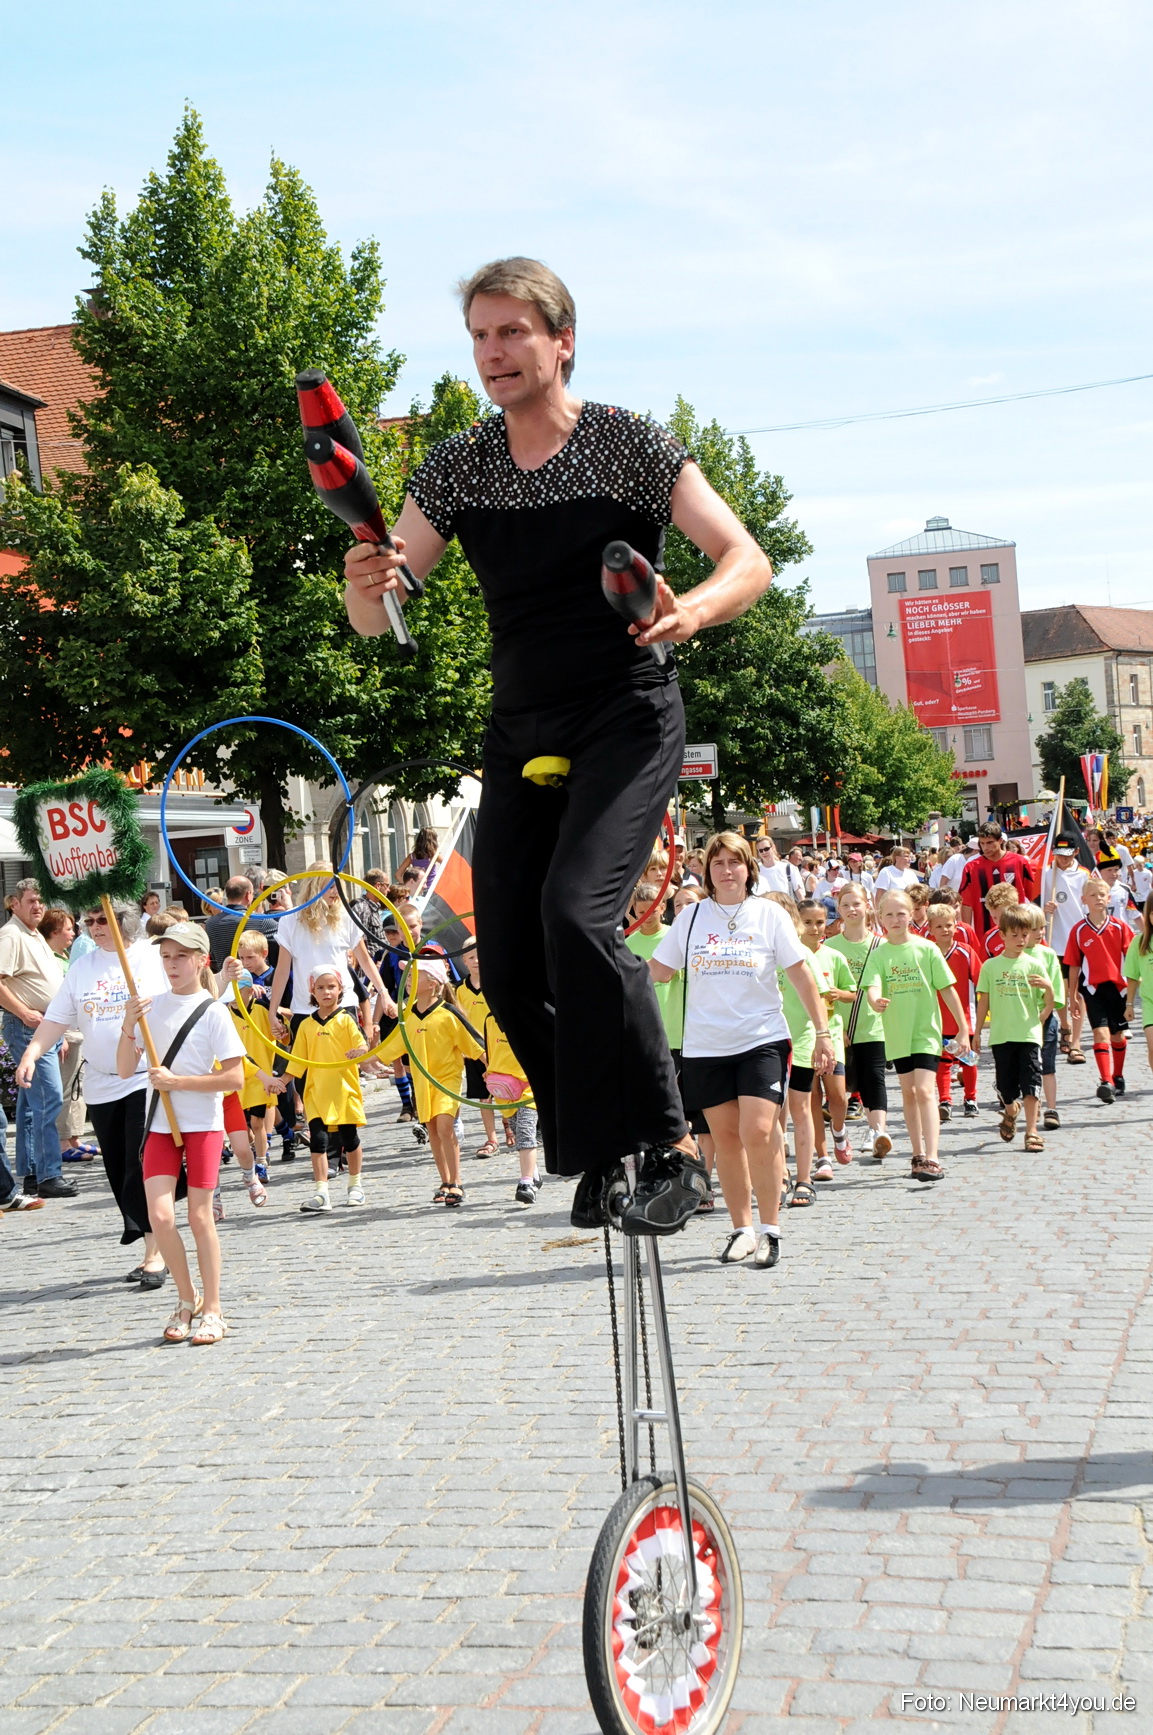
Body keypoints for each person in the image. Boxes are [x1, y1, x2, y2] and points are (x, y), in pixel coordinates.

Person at [343, 256, 773, 1235]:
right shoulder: (459, 465)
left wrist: (692, 612)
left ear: (559, 341)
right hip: (522, 722)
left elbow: (745, 558)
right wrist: (363, 576)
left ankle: (668, 1148)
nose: (492, 353)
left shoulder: (622, 443)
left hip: (625, 710)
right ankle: (595, 1145)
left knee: (576, 919)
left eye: (511, 333)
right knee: (509, 964)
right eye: (479, 337)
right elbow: (380, 616)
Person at [649, 833, 834, 1267]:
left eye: (736, 862)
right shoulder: (691, 918)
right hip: (705, 1046)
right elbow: (656, 971)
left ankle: (771, 1229)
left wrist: (823, 1032)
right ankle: (742, 1229)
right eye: (718, 863)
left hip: (761, 1039)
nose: (727, 870)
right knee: (727, 1140)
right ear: (707, 870)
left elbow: (802, 976)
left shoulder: (769, 914)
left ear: (749, 868)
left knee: (759, 1130)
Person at [16, 902, 170, 1275]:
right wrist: (32, 1053)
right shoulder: (83, 966)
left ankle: (156, 1251)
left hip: (143, 1078)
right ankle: (149, 1232)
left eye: (104, 920)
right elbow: (57, 1017)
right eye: (90, 921)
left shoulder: (150, 959)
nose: (95, 926)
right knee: (117, 1166)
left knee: (139, 1161)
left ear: (126, 924)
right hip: (102, 1082)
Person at [117, 923, 246, 1344]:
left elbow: (235, 1079)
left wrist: (179, 1082)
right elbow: (123, 1069)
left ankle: (214, 1308)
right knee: (159, 1215)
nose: (172, 964)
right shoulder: (150, 1007)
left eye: (181, 957)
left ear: (201, 961)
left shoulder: (214, 1012)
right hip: (159, 1123)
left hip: (202, 1125)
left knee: (199, 1214)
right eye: (166, 956)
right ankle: (186, 1299)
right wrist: (126, 1025)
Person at [863, 891, 970, 1183]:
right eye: (889, 915)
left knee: (924, 1091)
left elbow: (948, 989)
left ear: (912, 915)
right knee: (908, 1093)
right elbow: (871, 986)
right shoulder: (879, 954)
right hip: (897, 1033)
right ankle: (917, 1153)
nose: (895, 920)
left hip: (926, 1030)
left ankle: (934, 1156)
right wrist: (875, 1001)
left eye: (901, 913)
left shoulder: (927, 949)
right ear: (879, 918)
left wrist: (962, 1028)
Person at [377, 955, 485, 1208]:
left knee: (446, 1127)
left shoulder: (449, 1013)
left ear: (433, 982)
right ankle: (445, 1181)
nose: (409, 979)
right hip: (423, 1084)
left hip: (448, 1080)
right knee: (434, 1131)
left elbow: (477, 1046)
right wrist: (365, 1056)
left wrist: (494, 1071)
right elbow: (391, 1046)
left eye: (415, 975)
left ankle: (457, 1181)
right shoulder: (408, 1016)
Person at [0, 880, 71, 1199]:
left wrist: (58, 1031)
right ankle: (48, 1175)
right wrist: (25, 1013)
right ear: (14, 903)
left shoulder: (33, 934)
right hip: (27, 1026)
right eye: (31, 901)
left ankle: (31, 1171)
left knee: (32, 1104)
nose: (37, 906)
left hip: (45, 1027)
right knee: (49, 1099)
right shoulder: (11, 935)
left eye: (41, 901)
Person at [285, 968, 370, 1211]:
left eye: (331, 987)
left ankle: (355, 1186)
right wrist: (282, 1080)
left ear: (340, 989)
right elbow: (297, 1059)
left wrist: (360, 1052)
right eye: (320, 987)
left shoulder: (346, 1019)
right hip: (316, 1092)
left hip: (344, 1089)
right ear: (311, 990)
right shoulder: (306, 1025)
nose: (326, 992)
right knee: (318, 1140)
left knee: (349, 1138)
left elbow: (362, 1045)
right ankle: (321, 1192)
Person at [974, 906, 1055, 1151]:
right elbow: (984, 1001)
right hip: (1001, 1035)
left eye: (1024, 935)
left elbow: (1049, 1001)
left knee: (1031, 1083)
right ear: (1002, 936)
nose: (1020, 940)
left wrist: (1046, 995)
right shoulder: (990, 966)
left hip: (1028, 1034)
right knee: (1005, 1087)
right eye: (1014, 935)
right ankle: (1010, 1109)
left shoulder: (1034, 965)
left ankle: (1032, 1131)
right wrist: (976, 1032)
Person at [788, 898, 857, 1183]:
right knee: (812, 1097)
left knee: (838, 1095)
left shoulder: (834, 957)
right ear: (796, 923)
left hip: (831, 1031)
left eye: (820, 922)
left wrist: (837, 994)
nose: (815, 929)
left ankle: (839, 1132)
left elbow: (853, 992)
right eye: (808, 922)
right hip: (802, 1036)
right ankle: (823, 1156)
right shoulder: (790, 955)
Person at [828, 885, 891, 1161]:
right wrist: (835, 1026)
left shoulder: (882, 945)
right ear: (839, 910)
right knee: (839, 1091)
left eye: (857, 903)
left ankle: (877, 1132)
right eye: (846, 905)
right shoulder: (829, 946)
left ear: (868, 906)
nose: (852, 909)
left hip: (874, 1025)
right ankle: (838, 1133)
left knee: (874, 1081)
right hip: (838, 1028)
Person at [1063, 876, 1131, 1104]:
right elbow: (1073, 964)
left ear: (1109, 897)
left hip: (1119, 990)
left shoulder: (1120, 928)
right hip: (1093, 990)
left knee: (1117, 1036)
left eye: (1102, 894)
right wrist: (1073, 995)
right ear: (1084, 900)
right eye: (1093, 895)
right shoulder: (1079, 930)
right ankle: (1106, 1081)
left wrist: (1132, 991)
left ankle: (1118, 1075)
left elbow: (1131, 960)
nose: (1098, 898)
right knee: (1100, 1033)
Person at [39, 908, 94, 1164]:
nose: (73, 932)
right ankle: (62, 1142)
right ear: (53, 932)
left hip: (74, 1028)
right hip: (63, 1030)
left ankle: (73, 1137)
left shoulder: (63, 956)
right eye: (68, 928)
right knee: (64, 1086)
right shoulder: (48, 958)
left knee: (76, 1086)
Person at [481, 1003, 543, 1205]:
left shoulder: (525, 1014)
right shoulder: (490, 1020)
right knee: (517, 1133)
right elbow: (492, 1052)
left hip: (527, 1088)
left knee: (526, 1133)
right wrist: (489, 1072)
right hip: (504, 1089)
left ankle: (526, 1183)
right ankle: (533, 1172)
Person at [926, 900, 979, 1121]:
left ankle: (970, 1098)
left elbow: (980, 979)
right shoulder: (926, 953)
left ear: (956, 925)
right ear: (930, 929)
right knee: (943, 1062)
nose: (945, 930)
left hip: (962, 1018)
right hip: (936, 1018)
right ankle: (945, 1100)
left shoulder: (965, 952)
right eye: (939, 926)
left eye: (949, 925)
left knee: (967, 1060)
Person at [1041, 835, 1090, 1063]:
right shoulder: (1046, 874)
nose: (1062, 858)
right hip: (1056, 941)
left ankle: (1077, 1042)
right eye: (1058, 854)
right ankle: (1065, 1026)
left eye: (1067, 854)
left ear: (1076, 852)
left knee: (1077, 992)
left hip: (1079, 941)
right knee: (1060, 990)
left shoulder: (1084, 875)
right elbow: (1033, 904)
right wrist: (1044, 908)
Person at [458, 938, 508, 1158]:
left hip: (500, 1048)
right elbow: (460, 1021)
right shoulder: (460, 990)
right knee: (484, 1096)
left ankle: (510, 1125)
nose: (476, 961)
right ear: (464, 961)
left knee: (507, 1090)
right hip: (474, 1050)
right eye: (471, 957)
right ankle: (491, 1137)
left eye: (480, 955)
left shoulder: (497, 983)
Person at [1022, 902, 1065, 1132]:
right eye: (1034, 928)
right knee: (1029, 1066)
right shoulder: (1013, 955)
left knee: (1047, 1066)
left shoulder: (1047, 954)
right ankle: (1031, 1104)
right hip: (1021, 1021)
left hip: (1045, 1017)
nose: (1040, 933)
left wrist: (1046, 1012)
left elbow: (1057, 988)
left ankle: (1051, 1108)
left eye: (1042, 928)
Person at [959, 821, 1038, 941]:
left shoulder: (1020, 862)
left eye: (990, 843)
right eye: (982, 843)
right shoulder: (971, 868)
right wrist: (968, 935)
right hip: (985, 934)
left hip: (1017, 931)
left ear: (1000, 840)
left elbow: (1033, 896)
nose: (985, 847)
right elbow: (966, 903)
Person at [203, 876, 278, 973]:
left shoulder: (210, 924)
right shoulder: (262, 921)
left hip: (226, 982)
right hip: (257, 983)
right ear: (248, 895)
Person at [1123, 894, 1153, 1078]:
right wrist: (1129, 1004)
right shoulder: (1140, 942)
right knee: (1152, 1046)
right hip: (1150, 1003)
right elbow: (1133, 976)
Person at [755, 836, 807, 901]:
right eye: (760, 850)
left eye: (766, 849)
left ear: (773, 847)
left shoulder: (789, 868)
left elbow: (800, 894)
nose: (764, 852)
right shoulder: (756, 870)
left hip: (786, 908)